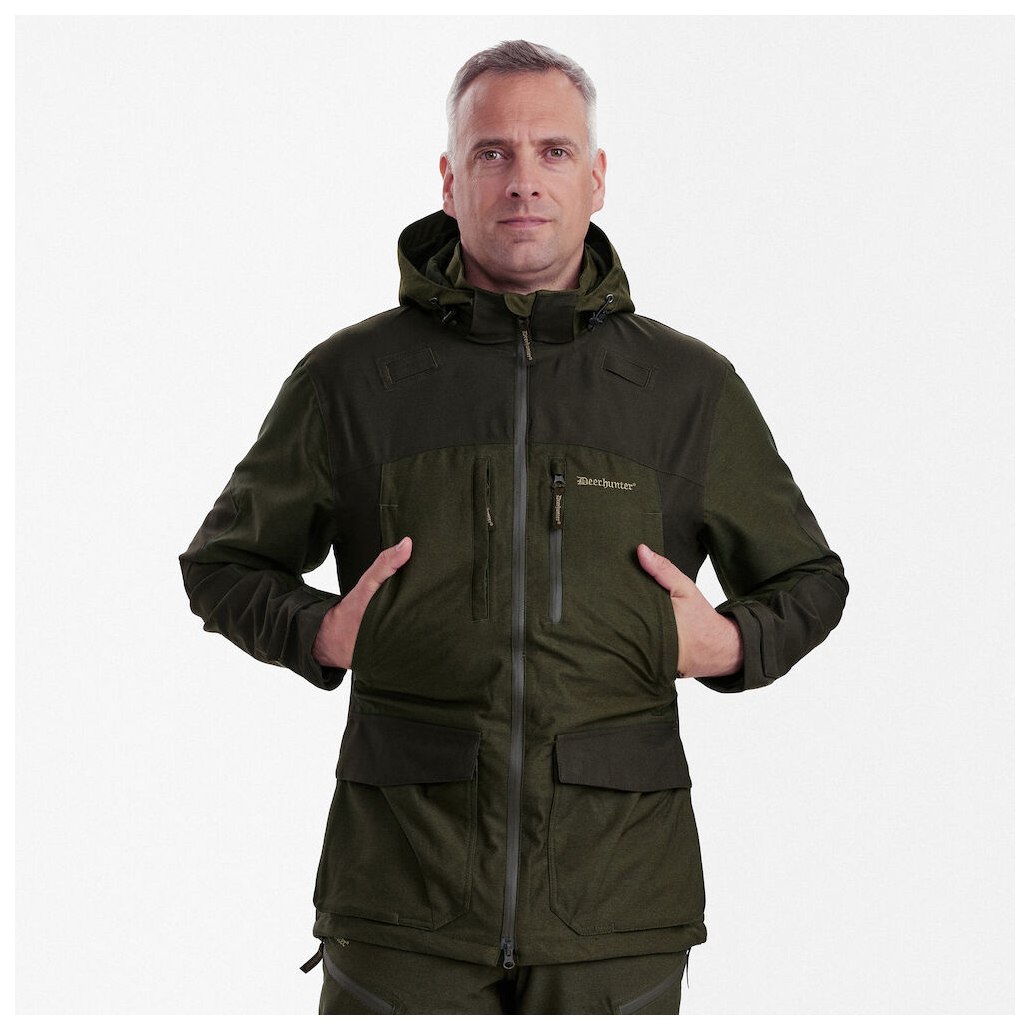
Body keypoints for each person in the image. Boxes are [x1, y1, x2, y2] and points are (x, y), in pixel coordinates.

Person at [180, 40, 848, 1015]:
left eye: (553, 151)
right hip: (401, 902)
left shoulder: (685, 388)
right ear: (450, 180)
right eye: (492, 152)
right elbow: (224, 564)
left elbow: (810, 580)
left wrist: (731, 643)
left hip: (615, 906)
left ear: (597, 179)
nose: (524, 178)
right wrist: (318, 632)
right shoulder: (352, 380)